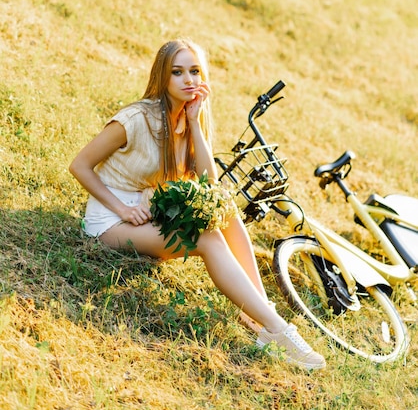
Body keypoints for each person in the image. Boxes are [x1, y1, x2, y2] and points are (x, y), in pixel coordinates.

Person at [69, 38, 326, 370]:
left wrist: (194, 123)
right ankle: (276, 329)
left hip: (148, 212)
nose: (188, 80)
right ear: (162, 77)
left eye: (195, 71)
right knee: (207, 238)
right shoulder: (134, 119)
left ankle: (260, 315)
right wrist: (121, 208)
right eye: (178, 72)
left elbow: (209, 185)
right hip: (110, 223)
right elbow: (80, 165)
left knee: (227, 213)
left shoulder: (188, 120)